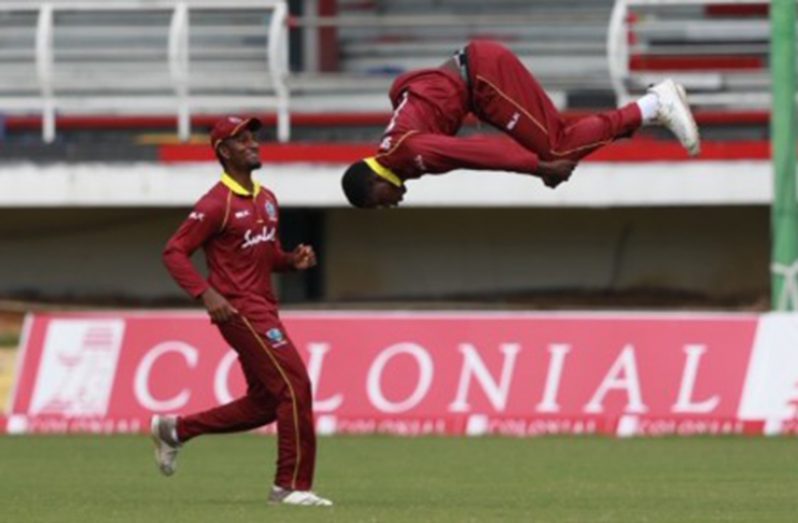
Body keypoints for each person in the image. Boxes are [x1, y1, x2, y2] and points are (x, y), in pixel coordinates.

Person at [152, 115, 332, 507]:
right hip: (239, 311)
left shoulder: (267, 198)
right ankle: (290, 487)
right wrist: (206, 294)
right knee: (295, 386)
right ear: (224, 151)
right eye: (242, 140)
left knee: (267, 403)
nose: (253, 144)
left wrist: (290, 261)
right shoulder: (216, 203)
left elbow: (262, 257)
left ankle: (175, 430)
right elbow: (174, 252)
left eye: (254, 138)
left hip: (265, 306)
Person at [341, 39, 700, 208]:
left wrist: (539, 168)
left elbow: (476, 152)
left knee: (557, 148)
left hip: (482, 75)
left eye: (379, 200)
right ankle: (648, 111)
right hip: (474, 84)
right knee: (558, 145)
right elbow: (404, 93)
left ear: (375, 179)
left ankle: (655, 105)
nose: (389, 205)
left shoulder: (406, 154)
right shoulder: (397, 153)